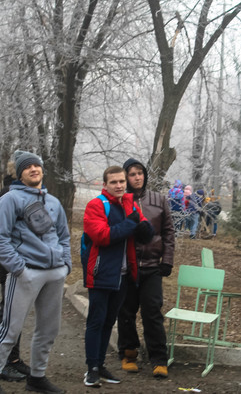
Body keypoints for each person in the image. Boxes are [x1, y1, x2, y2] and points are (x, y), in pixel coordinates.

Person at [0, 150, 71, 394]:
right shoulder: (10, 199)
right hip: (26, 273)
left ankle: (37, 378)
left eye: (36, 165)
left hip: (55, 274)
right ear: (20, 174)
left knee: (48, 330)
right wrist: (20, 269)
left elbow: (64, 236)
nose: (33, 169)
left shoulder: (54, 202)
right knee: (10, 329)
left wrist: (66, 265)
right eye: (27, 167)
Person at [81, 165, 154, 387]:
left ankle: (100, 364)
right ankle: (92, 369)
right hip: (101, 273)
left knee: (108, 322)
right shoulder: (96, 205)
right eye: (114, 182)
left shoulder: (130, 203)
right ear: (105, 185)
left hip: (123, 275)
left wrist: (144, 228)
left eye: (122, 181)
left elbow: (146, 231)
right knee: (96, 322)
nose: (119, 185)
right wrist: (132, 223)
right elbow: (103, 236)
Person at [117, 158, 175, 378]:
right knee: (126, 312)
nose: (137, 177)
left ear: (145, 175)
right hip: (127, 267)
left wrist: (167, 260)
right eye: (132, 174)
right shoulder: (120, 201)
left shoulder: (159, 200)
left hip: (152, 267)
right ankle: (129, 354)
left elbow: (168, 232)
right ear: (126, 177)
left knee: (152, 313)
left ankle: (159, 359)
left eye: (140, 173)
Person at [0, 161, 30, 382]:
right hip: (12, 263)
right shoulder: (8, 194)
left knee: (17, 312)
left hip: (23, 261)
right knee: (8, 313)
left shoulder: (23, 193)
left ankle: (13, 359)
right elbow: (3, 235)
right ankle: (2, 362)